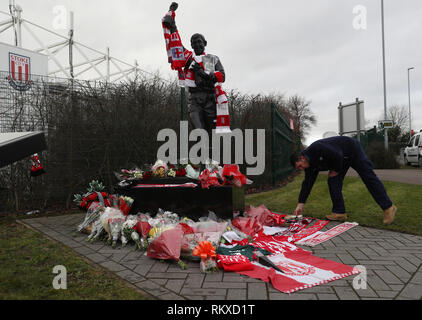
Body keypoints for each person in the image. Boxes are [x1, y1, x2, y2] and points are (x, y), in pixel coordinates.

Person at [290, 136, 397, 225]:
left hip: (352, 149)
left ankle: (388, 207)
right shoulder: (309, 166)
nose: (301, 169)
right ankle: (339, 212)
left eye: (299, 166)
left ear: (302, 158)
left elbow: (337, 154)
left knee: (368, 177)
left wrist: (336, 170)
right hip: (341, 158)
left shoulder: (317, 148)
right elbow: (307, 184)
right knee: (333, 181)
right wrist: (300, 205)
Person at [162, 2, 226, 139]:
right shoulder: (188, 58)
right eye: (194, 42)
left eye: (199, 42)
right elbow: (176, 47)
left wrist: (202, 73)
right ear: (191, 45)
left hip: (209, 98)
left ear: (205, 43)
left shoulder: (211, 59)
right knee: (198, 129)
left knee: (211, 130)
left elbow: (222, 76)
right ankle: (203, 157)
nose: (197, 44)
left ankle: (211, 158)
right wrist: (172, 24)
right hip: (195, 99)